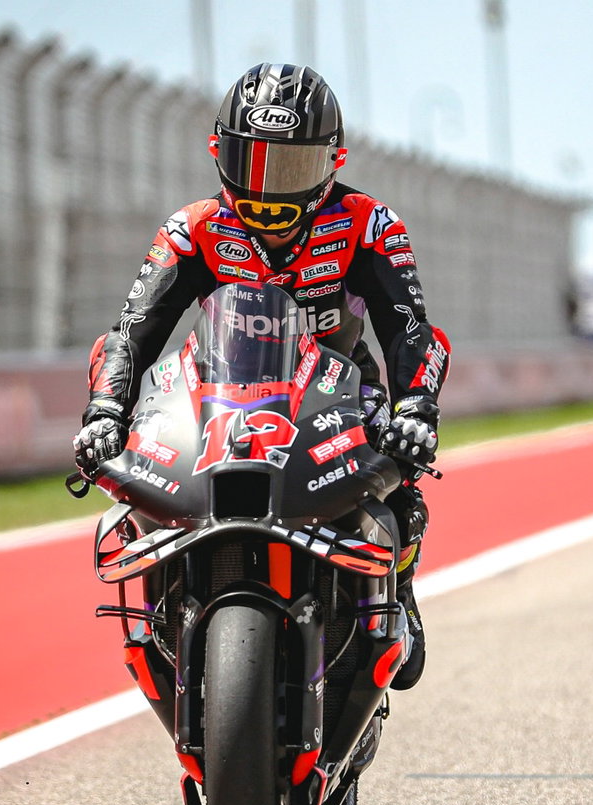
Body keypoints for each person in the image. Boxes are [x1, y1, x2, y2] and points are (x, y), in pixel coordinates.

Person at [71, 63, 449, 682]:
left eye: (292, 167)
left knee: (400, 485)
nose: (271, 189)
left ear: (333, 161)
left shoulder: (370, 224)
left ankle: (397, 589)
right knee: (142, 493)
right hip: (220, 394)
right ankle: (168, 614)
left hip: (340, 392)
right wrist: (105, 412)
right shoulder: (191, 228)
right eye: (255, 163)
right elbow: (131, 331)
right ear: (220, 153)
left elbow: (410, 329)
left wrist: (414, 411)